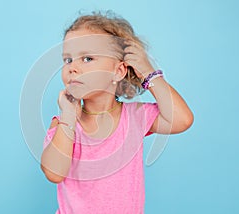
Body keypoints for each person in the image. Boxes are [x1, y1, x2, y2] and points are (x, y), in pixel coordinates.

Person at [40, 11, 194, 214]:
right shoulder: (63, 124)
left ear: (118, 71)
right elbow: (53, 173)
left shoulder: (136, 117)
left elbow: (182, 120)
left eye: (87, 58)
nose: (73, 68)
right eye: (68, 60)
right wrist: (68, 115)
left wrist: (150, 73)